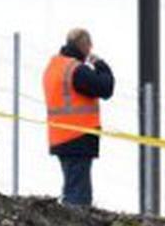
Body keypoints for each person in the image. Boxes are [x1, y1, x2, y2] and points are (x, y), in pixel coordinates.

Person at [43, 29, 114, 206]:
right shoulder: (75, 69)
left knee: (72, 186)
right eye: (89, 47)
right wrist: (100, 65)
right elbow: (105, 88)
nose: (90, 51)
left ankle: (69, 224)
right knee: (78, 194)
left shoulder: (53, 67)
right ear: (83, 46)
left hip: (60, 136)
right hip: (77, 136)